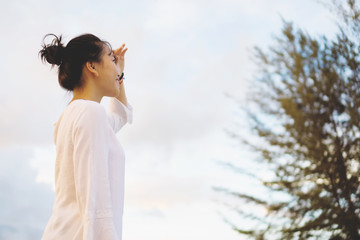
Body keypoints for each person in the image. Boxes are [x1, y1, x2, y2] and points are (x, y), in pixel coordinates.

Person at [39, 33, 132, 240]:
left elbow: (120, 116)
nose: (116, 68)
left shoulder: (74, 114)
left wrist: (120, 74)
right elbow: (95, 202)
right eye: (111, 59)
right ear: (92, 67)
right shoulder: (90, 112)